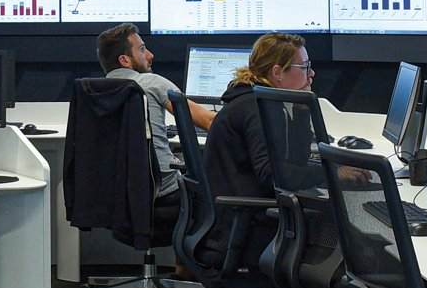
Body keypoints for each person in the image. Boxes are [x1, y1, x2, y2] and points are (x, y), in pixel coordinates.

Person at [96, 23, 214, 200]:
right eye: (142, 50)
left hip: (115, 190)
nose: (150, 55)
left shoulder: (96, 92)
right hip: (162, 188)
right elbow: (210, 122)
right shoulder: (152, 82)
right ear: (125, 60)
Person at [203, 32, 319, 203]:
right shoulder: (258, 107)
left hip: (237, 205)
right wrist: (330, 174)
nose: (312, 73)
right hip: (242, 212)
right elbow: (271, 175)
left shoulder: (262, 100)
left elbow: (296, 162)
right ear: (278, 72)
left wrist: (301, 109)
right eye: (304, 67)